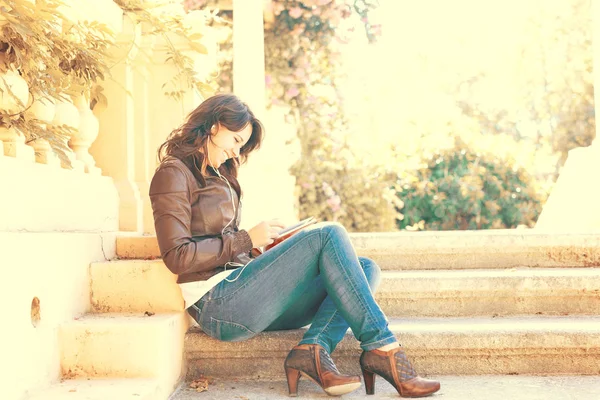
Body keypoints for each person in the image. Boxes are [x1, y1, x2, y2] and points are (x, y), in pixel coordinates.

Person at [149, 93, 441, 398]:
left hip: (243, 290)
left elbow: (222, 241)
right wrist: (246, 238)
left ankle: (313, 349)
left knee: (365, 267)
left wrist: (259, 248)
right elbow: (177, 256)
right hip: (219, 304)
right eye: (235, 140)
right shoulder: (173, 173)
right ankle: (383, 349)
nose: (236, 151)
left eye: (241, 145)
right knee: (328, 233)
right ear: (213, 127)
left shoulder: (219, 174)